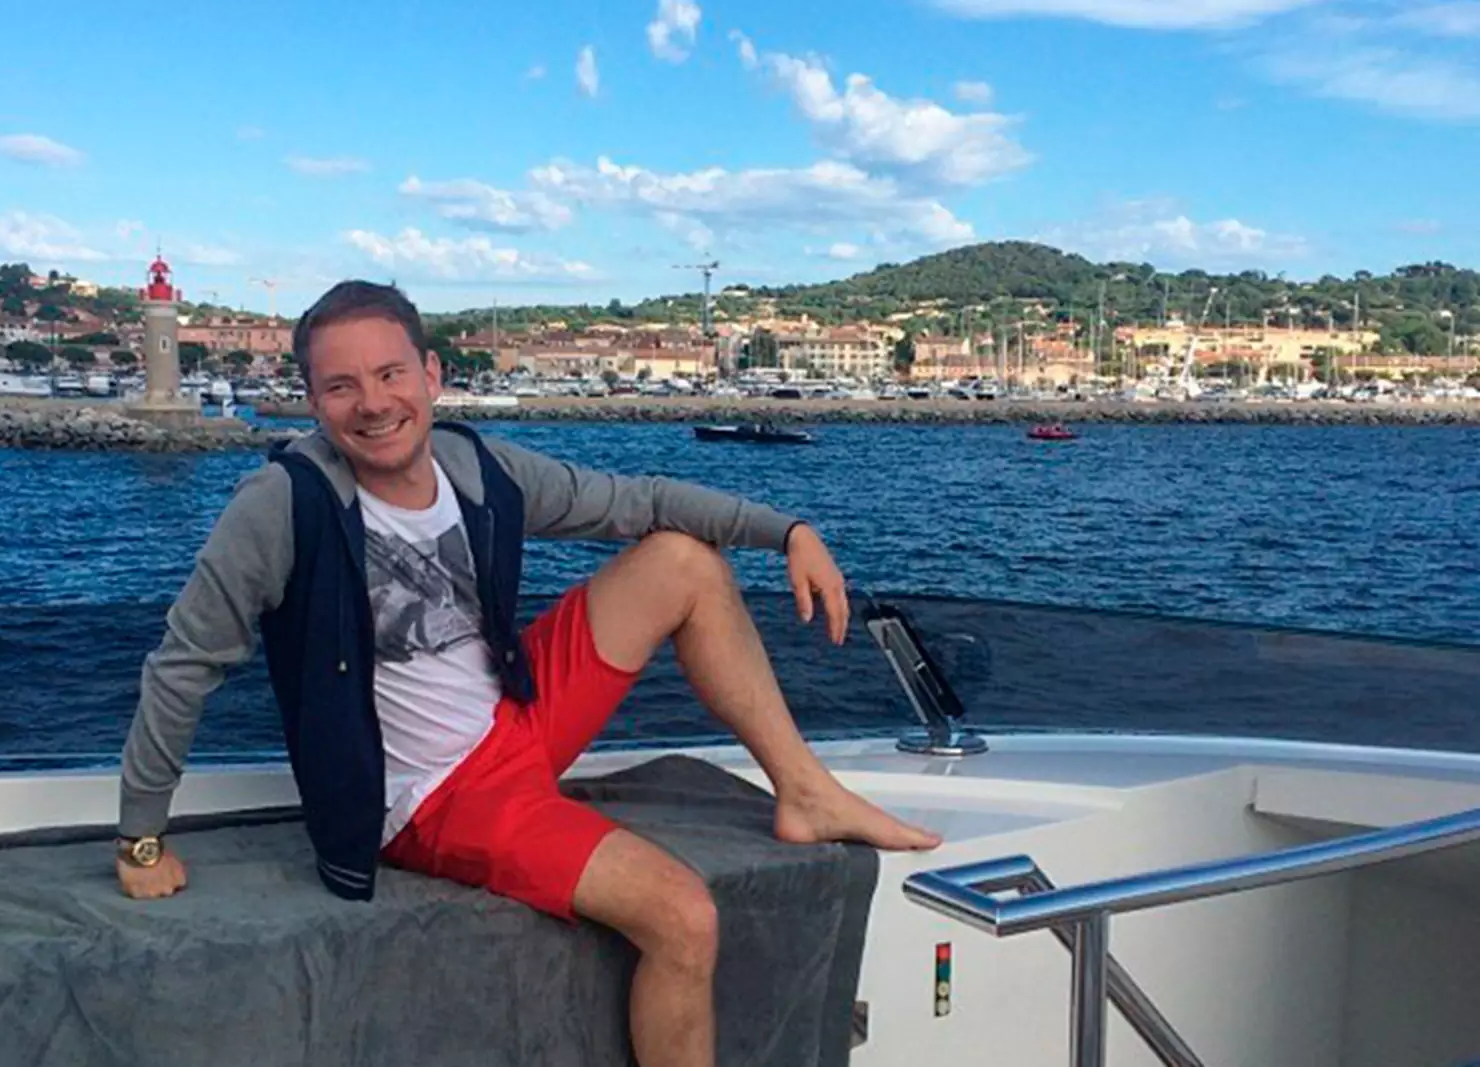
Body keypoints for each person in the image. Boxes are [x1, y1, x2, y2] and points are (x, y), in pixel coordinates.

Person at [113, 280, 940, 1067]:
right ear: (312, 399)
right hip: (438, 795)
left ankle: (804, 790)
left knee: (684, 561)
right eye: (341, 385)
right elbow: (185, 662)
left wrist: (787, 530)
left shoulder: (474, 468)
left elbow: (638, 499)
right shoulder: (282, 504)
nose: (372, 402)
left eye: (391, 373)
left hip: (517, 717)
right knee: (683, 914)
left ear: (432, 374)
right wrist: (140, 838)